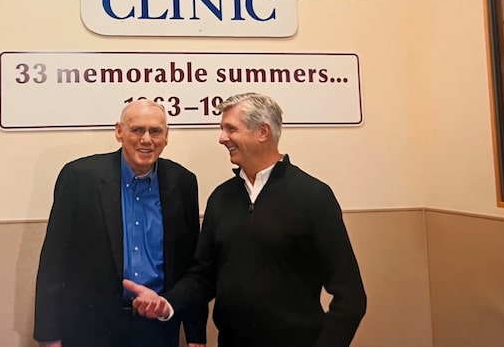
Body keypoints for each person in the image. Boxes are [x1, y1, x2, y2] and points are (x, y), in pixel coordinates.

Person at [123, 92, 367, 347]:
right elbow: (203, 277)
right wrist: (168, 303)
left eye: (230, 129)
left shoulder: (314, 197)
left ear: (262, 132)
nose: (222, 138)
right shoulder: (221, 198)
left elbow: (351, 298)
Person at [33, 99, 207, 347]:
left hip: (156, 330)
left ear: (166, 136)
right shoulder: (80, 177)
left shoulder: (183, 182)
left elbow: (190, 263)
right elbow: (54, 260)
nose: (146, 139)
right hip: (90, 329)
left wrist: (196, 334)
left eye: (155, 131)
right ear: (119, 131)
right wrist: (48, 336)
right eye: (137, 129)